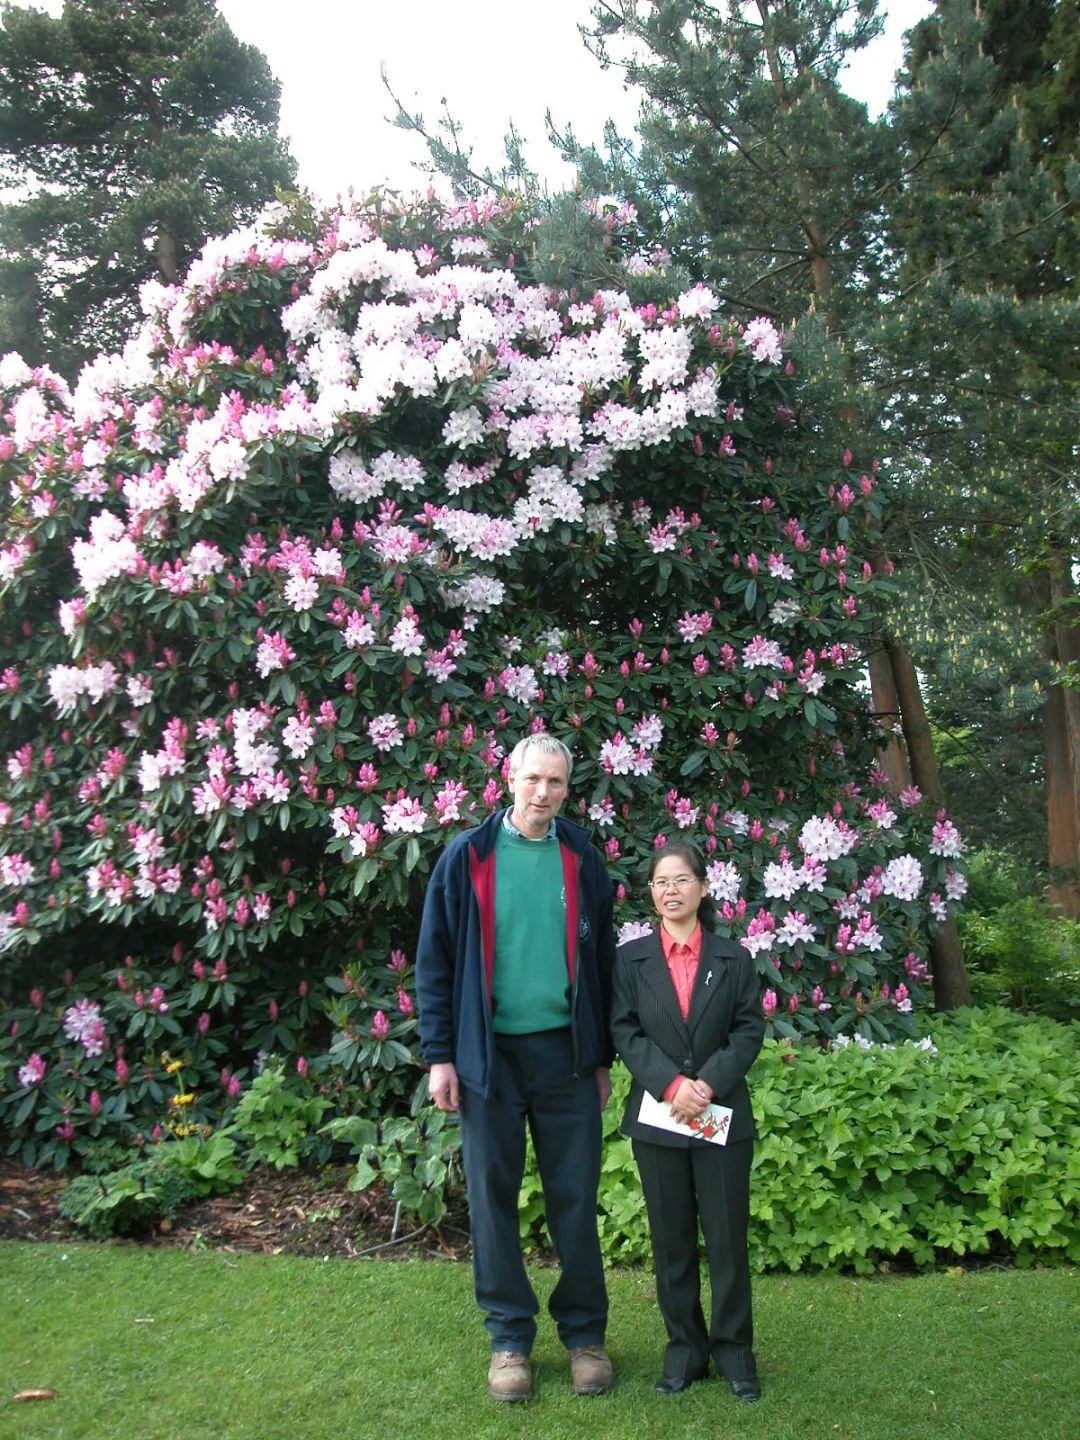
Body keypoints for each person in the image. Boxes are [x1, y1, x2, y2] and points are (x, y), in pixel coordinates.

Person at [416, 733, 616, 1403]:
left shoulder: (581, 857)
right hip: (488, 1059)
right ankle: (509, 1340)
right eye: (533, 779)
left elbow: (604, 961)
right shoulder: (467, 857)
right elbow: (435, 961)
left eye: (556, 783)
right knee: (493, 1204)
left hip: (565, 1057)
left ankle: (586, 1335)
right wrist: (441, 1056)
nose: (543, 793)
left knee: (575, 1201)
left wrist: (601, 1055)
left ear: (566, 788)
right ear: (509, 778)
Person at [610, 838, 765, 1401]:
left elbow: (749, 1031)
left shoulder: (733, 958)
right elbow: (624, 1030)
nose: (670, 891)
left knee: (726, 1241)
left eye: (681, 880)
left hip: (721, 1118)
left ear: (703, 887)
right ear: (650, 893)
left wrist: (708, 1084)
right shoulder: (630, 961)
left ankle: (735, 1353)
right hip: (659, 1120)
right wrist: (672, 1084)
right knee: (671, 1243)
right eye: (660, 882)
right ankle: (684, 1351)